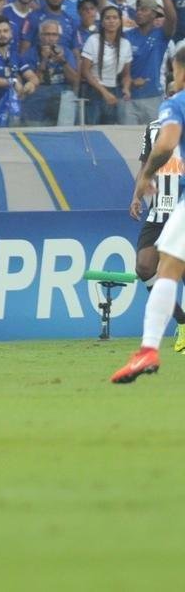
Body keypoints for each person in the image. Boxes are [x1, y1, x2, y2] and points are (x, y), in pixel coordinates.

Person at [113, 49, 185, 383]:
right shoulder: (155, 121)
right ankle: (169, 334)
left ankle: (149, 349)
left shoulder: (175, 106)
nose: (172, 78)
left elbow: (167, 144)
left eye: (173, 70)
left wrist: (145, 177)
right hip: (164, 207)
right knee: (153, 266)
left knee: (169, 269)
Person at [130, 110, 185, 356]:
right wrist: (136, 196)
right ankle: (182, 321)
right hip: (158, 212)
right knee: (144, 266)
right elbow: (145, 166)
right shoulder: (153, 128)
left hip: (182, 209)